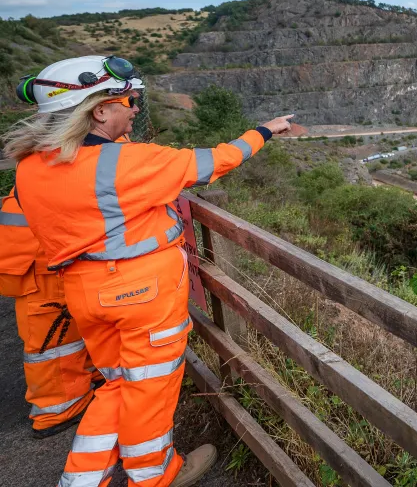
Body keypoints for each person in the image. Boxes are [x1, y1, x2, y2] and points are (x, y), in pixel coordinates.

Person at [4, 55, 293, 487]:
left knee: (118, 385)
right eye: (128, 100)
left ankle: (80, 480)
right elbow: (217, 161)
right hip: (141, 297)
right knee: (148, 391)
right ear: (99, 110)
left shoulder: (29, 166)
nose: (135, 108)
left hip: (83, 291)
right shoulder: (128, 163)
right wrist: (266, 130)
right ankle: (155, 475)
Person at [0, 189, 101, 438]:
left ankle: (87, 376)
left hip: (38, 255)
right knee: (55, 342)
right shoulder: (88, 155)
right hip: (41, 261)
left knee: (73, 327)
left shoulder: (48, 159)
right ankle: (58, 408)